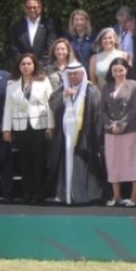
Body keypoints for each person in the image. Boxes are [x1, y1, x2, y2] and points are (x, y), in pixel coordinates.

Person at [50, 62, 105, 205]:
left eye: (76, 73)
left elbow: (97, 116)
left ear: (82, 73)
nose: (73, 76)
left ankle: (84, 196)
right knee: (66, 164)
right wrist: (64, 95)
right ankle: (65, 195)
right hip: (65, 135)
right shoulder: (64, 89)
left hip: (84, 135)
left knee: (82, 164)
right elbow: (52, 104)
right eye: (70, 74)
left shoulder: (91, 90)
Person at [1, 54, 53, 205]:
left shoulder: (43, 81)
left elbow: (50, 103)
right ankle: (27, 192)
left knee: (39, 161)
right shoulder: (12, 84)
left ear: (34, 65)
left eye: (29, 64)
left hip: (40, 126)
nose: (26, 66)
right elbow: (8, 107)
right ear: (19, 66)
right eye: (23, 64)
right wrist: (6, 129)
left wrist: (51, 125)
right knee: (25, 162)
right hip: (21, 127)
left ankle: (39, 193)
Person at [100, 57, 136, 207]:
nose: (118, 73)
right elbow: (102, 109)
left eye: (121, 70)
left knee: (133, 161)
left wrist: (122, 125)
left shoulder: (134, 85)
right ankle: (116, 196)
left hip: (129, 129)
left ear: (126, 70)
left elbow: (134, 108)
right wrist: (111, 125)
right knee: (113, 163)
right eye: (115, 71)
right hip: (111, 131)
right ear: (111, 72)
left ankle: (134, 196)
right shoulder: (107, 86)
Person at [8, 0, 53, 68]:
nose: (32, 10)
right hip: (24, 67)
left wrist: (40, 63)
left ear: (40, 7)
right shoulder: (16, 26)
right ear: (24, 8)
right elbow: (14, 47)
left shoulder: (49, 25)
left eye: (34, 7)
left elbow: (51, 47)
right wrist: (24, 63)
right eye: (29, 8)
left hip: (44, 67)